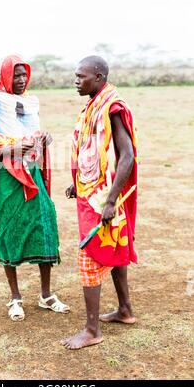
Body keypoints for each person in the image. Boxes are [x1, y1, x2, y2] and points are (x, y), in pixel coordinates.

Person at [0, 55, 69, 321]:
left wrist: (43, 140)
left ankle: (46, 295)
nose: (21, 80)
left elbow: (32, 136)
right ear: (4, 76)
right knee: (9, 230)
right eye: (16, 75)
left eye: (24, 74)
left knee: (44, 223)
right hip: (6, 178)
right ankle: (15, 297)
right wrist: (13, 148)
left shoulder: (31, 102)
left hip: (32, 171)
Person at [61, 55, 138, 349]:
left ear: (99, 77)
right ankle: (125, 310)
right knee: (113, 248)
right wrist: (78, 180)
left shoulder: (112, 107)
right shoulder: (95, 103)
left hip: (103, 197)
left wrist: (110, 200)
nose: (76, 80)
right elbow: (97, 149)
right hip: (94, 190)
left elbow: (127, 156)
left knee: (90, 254)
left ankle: (92, 330)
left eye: (82, 76)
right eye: (75, 75)